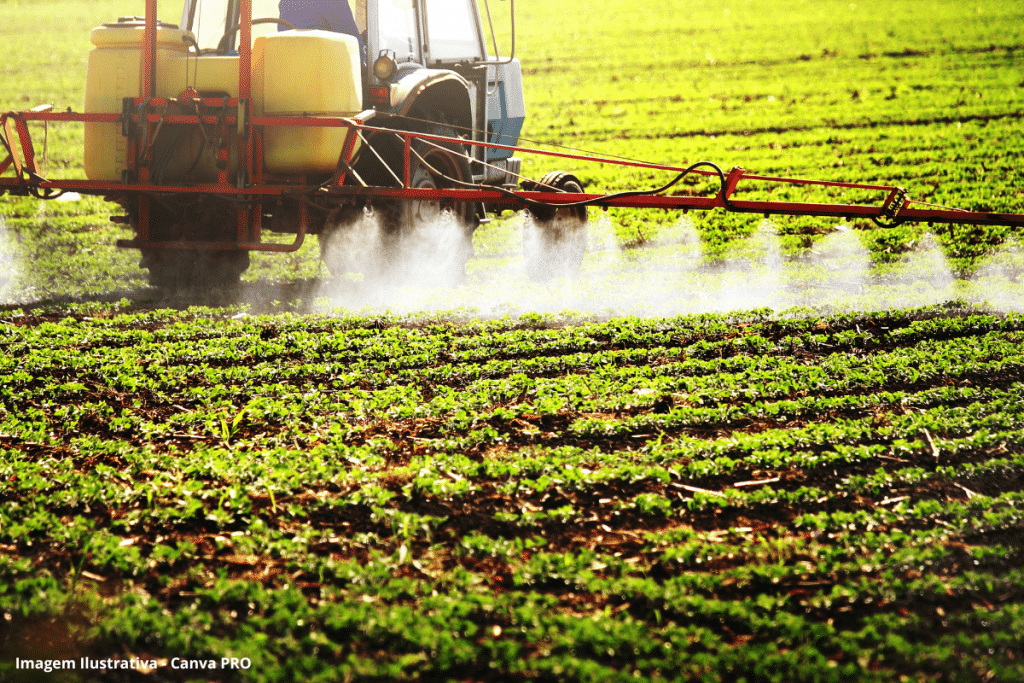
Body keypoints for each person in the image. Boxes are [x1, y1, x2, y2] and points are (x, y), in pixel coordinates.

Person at [278, 0, 366, 63]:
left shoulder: (285, 2)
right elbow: (353, 42)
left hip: (289, 67)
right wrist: (364, 61)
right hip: (319, 71)